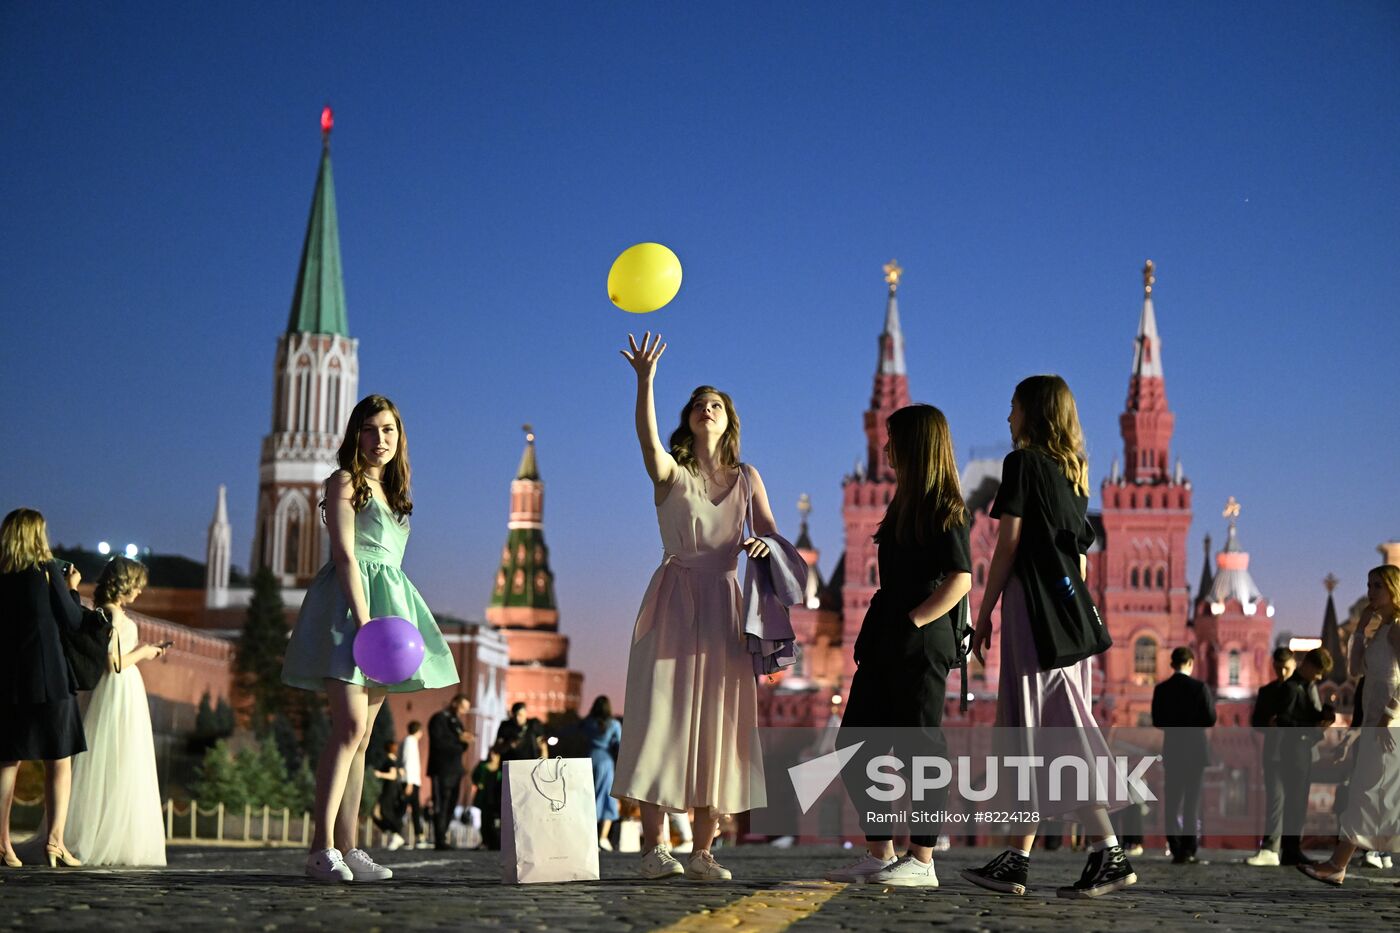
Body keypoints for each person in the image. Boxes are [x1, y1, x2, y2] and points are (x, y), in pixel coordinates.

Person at [612, 332, 777, 883]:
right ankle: (655, 849)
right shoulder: (671, 475)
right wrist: (645, 381)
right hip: (674, 601)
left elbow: (774, 537)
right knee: (662, 719)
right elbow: (646, 440)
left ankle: (704, 851)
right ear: (688, 419)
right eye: (699, 405)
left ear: (729, 421)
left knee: (719, 725)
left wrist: (763, 546)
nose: (708, 410)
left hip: (726, 607)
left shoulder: (748, 478)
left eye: (718, 406)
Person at [962, 375, 1135, 898]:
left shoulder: (1023, 465)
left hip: (1033, 614)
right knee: (1043, 732)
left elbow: (1006, 546)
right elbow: (1079, 558)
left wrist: (984, 610)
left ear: (1033, 414)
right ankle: (1019, 857)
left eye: (1013, 408)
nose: (1008, 418)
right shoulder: (1071, 475)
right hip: (1068, 620)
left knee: (1050, 730)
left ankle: (1108, 852)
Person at [281, 394, 459, 883]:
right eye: (370, 429)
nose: (380, 439)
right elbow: (343, 554)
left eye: (389, 430)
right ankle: (320, 848)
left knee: (363, 740)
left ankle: (350, 847)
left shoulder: (396, 493)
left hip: (391, 611)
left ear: (399, 438)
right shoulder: (345, 482)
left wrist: (387, 624)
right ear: (355, 436)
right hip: (350, 609)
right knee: (348, 729)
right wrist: (367, 623)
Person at [824, 404, 972, 888]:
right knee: (855, 743)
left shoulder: (944, 506)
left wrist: (915, 620)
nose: (885, 447)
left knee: (920, 749)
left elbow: (961, 578)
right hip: (887, 638)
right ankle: (880, 851)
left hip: (919, 642)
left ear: (916, 446)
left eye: (893, 439)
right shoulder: (903, 501)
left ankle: (923, 859)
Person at [1300, 565, 1400, 885]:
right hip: (1375, 723)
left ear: (1394, 590)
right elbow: (1357, 670)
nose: (1371, 592)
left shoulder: (1398, 627)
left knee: (1366, 793)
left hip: (1388, 726)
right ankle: (1337, 864)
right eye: (1368, 585)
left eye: (1378, 587)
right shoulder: (1381, 631)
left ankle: (1337, 864)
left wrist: (1389, 714)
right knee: (1379, 795)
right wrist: (1359, 629)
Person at [66, 557, 169, 866]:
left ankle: (114, 833)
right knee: (114, 759)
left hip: (123, 693)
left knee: (120, 761)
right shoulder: (110, 614)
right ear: (124, 584)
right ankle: (105, 838)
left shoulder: (112, 613)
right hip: (117, 692)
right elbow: (114, 663)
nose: (139, 593)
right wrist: (146, 652)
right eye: (136, 586)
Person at [0, 508, 88, 869]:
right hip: (50, 676)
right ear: (38, 535)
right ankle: (55, 843)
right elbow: (71, 620)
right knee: (59, 759)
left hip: (7, 679)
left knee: (7, 760)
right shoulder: (48, 571)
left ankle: (3, 845)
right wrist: (73, 589)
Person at [1151, 646, 1217, 864]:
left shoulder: (1162, 689)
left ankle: (1176, 847)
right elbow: (1209, 719)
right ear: (1191, 663)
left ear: (1172, 664)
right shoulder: (1199, 688)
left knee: (1172, 801)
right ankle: (1189, 850)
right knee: (1191, 802)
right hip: (1196, 751)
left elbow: (1158, 721)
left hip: (1173, 750)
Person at [1246, 646, 1298, 866]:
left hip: (1297, 753)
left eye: (1286, 668)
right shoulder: (1267, 691)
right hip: (1275, 752)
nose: (1282, 673)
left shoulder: (1301, 688)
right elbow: (1256, 721)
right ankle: (1271, 849)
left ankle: (1290, 850)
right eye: (1278, 668)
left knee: (1295, 803)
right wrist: (1267, 724)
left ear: (1294, 664)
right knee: (1275, 800)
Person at [427, 695, 473, 850]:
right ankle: (439, 839)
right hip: (441, 768)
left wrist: (464, 741)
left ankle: (443, 836)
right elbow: (438, 743)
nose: (463, 712)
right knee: (441, 803)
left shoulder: (456, 722)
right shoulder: (439, 719)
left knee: (451, 804)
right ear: (454, 704)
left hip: (455, 769)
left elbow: (462, 746)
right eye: (462, 708)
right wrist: (459, 741)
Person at [580, 696, 622, 850]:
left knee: (588, 796)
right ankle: (603, 837)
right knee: (606, 796)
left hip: (588, 758)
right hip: (605, 761)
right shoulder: (614, 724)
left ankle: (589, 836)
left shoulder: (587, 723)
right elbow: (619, 744)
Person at [470, 740, 506, 850]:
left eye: (494, 753)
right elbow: (475, 777)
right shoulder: (483, 766)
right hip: (485, 798)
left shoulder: (501, 769)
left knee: (497, 822)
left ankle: (496, 842)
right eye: (491, 753)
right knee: (485, 821)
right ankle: (485, 841)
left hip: (497, 799)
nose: (492, 755)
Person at [370, 740, 406, 850]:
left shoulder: (389, 761)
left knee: (380, 811)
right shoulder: (395, 761)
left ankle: (396, 833)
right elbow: (401, 773)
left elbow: (393, 775)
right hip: (393, 790)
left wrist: (379, 774)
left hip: (389, 790)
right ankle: (395, 834)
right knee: (382, 812)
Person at [400, 721, 426, 847]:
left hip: (412, 781)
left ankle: (416, 836)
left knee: (412, 809)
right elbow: (408, 761)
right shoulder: (410, 741)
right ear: (419, 731)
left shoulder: (410, 741)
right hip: (410, 781)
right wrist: (409, 782)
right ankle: (408, 836)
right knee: (408, 809)